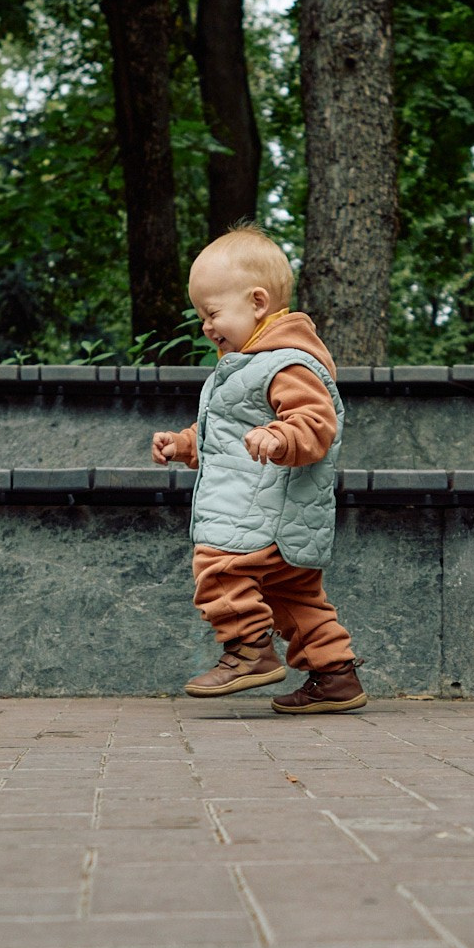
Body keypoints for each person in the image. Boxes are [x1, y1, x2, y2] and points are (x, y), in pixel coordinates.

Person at [152, 226, 368, 714]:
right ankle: (335, 676)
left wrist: (280, 436)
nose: (206, 326)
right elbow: (225, 435)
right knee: (295, 599)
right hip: (269, 512)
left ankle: (249, 651)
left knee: (218, 568)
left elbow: (316, 424)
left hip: (263, 513)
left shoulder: (287, 365)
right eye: (200, 315)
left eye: (212, 313)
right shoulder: (248, 365)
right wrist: (184, 444)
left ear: (256, 302)